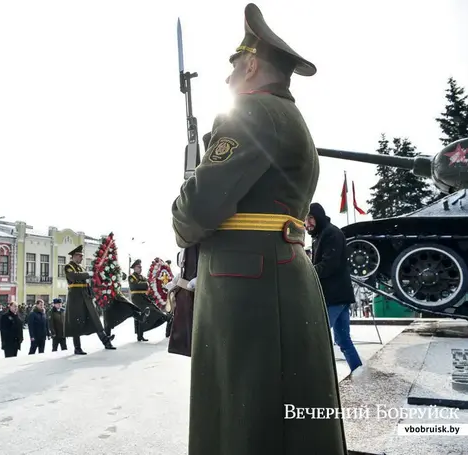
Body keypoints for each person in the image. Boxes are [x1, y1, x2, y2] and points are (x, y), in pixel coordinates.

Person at [170, 4, 347, 454]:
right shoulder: (289, 118)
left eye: (233, 68)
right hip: (279, 272)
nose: (228, 80)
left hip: (245, 286)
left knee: (243, 411)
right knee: (290, 409)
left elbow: (197, 210)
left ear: (250, 64)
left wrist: (184, 196)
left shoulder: (248, 113)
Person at [307, 202, 362, 372]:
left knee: (317, 336)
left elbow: (329, 265)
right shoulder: (321, 235)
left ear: (318, 217)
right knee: (343, 339)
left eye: (310, 218)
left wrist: (305, 272)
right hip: (338, 295)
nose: (307, 223)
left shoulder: (331, 234)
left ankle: (316, 376)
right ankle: (358, 369)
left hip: (334, 295)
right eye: (305, 220)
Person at [64, 245, 116, 355]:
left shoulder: (81, 268)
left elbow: (86, 282)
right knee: (76, 323)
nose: (81, 258)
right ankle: (77, 348)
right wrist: (88, 274)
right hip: (76, 298)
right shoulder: (68, 267)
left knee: (95, 318)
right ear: (74, 256)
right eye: (79, 256)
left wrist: (92, 294)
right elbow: (74, 277)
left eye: (81, 256)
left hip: (85, 297)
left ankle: (106, 341)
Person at [128, 259, 171, 342]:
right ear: (134, 268)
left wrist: (143, 284)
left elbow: (145, 286)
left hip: (144, 297)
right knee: (146, 312)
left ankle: (140, 335)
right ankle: (166, 318)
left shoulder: (142, 277)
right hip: (137, 298)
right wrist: (144, 284)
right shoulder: (131, 277)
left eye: (141, 267)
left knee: (145, 315)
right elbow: (135, 286)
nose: (140, 268)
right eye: (138, 267)